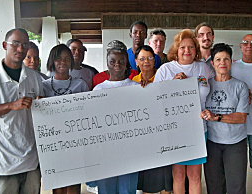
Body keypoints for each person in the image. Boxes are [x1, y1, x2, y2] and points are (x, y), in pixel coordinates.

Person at [154, 29, 214, 194]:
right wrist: (172, 85)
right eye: (182, 47)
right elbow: (155, 98)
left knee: (194, 176)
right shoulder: (166, 70)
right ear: (176, 50)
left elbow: (222, 80)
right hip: (175, 130)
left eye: (191, 47)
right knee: (178, 175)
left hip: (198, 129)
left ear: (196, 50)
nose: (187, 51)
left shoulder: (204, 69)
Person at [0, 28, 44, 193]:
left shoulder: (34, 77)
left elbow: (39, 112)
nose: (20, 49)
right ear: (4, 45)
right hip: (3, 163)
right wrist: (10, 105)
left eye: (25, 45)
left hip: (31, 160)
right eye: (15, 44)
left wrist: (42, 106)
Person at [200, 43, 249, 193]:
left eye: (226, 59)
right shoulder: (205, 86)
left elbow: (241, 118)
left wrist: (217, 117)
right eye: (219, 59)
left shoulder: (240, 86)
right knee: (214, 187)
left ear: (231, 61)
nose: (222, 63)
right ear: (212, 63)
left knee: (236, 187)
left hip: (235, 144)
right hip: (212, 143)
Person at [93, 43, 139, 194]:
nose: (117, 65)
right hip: (105, 151)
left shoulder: (136, 87)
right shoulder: (98, 89)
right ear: (107, 64)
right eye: (113, 61)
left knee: (127, 189)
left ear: (127, 64)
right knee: (106, 189)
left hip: (130, 149)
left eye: (121, 61)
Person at [43, 44, 89, 194]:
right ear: (52, 61)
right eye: (58, 59)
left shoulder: (80, 85)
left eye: (67, 59)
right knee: (58, 184)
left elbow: (89, 113)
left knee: (74, 184)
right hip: (52, 144)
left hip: (75, 143)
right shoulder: (42, 87)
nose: (62, 62)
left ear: (72, 62)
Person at [133, 45, 172, 194]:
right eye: (142, 59)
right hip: (144, 137)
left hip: (164, 134)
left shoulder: (163, 76)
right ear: (136, 61)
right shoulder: (132, 82)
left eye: (150, 58)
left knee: (165, 178)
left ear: (155, 60)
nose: (146, 62)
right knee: (148, 178)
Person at [231, 34, 252, 194]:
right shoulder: (231, 66)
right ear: (240, 46)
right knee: (236, 171)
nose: (249, 46)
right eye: (245, 42)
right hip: (236, 127)